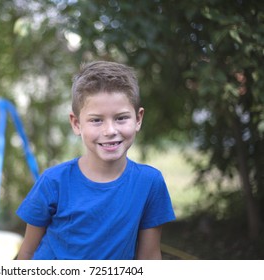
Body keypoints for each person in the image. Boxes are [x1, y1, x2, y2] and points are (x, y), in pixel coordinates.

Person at [16, 61, 175, 260]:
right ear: (76, 123)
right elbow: (27, 253)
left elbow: (149, 258)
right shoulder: (53, 182)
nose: (110, 131)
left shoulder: (150, 183)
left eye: (121, 118)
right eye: (96, 120)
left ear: (138, 119)